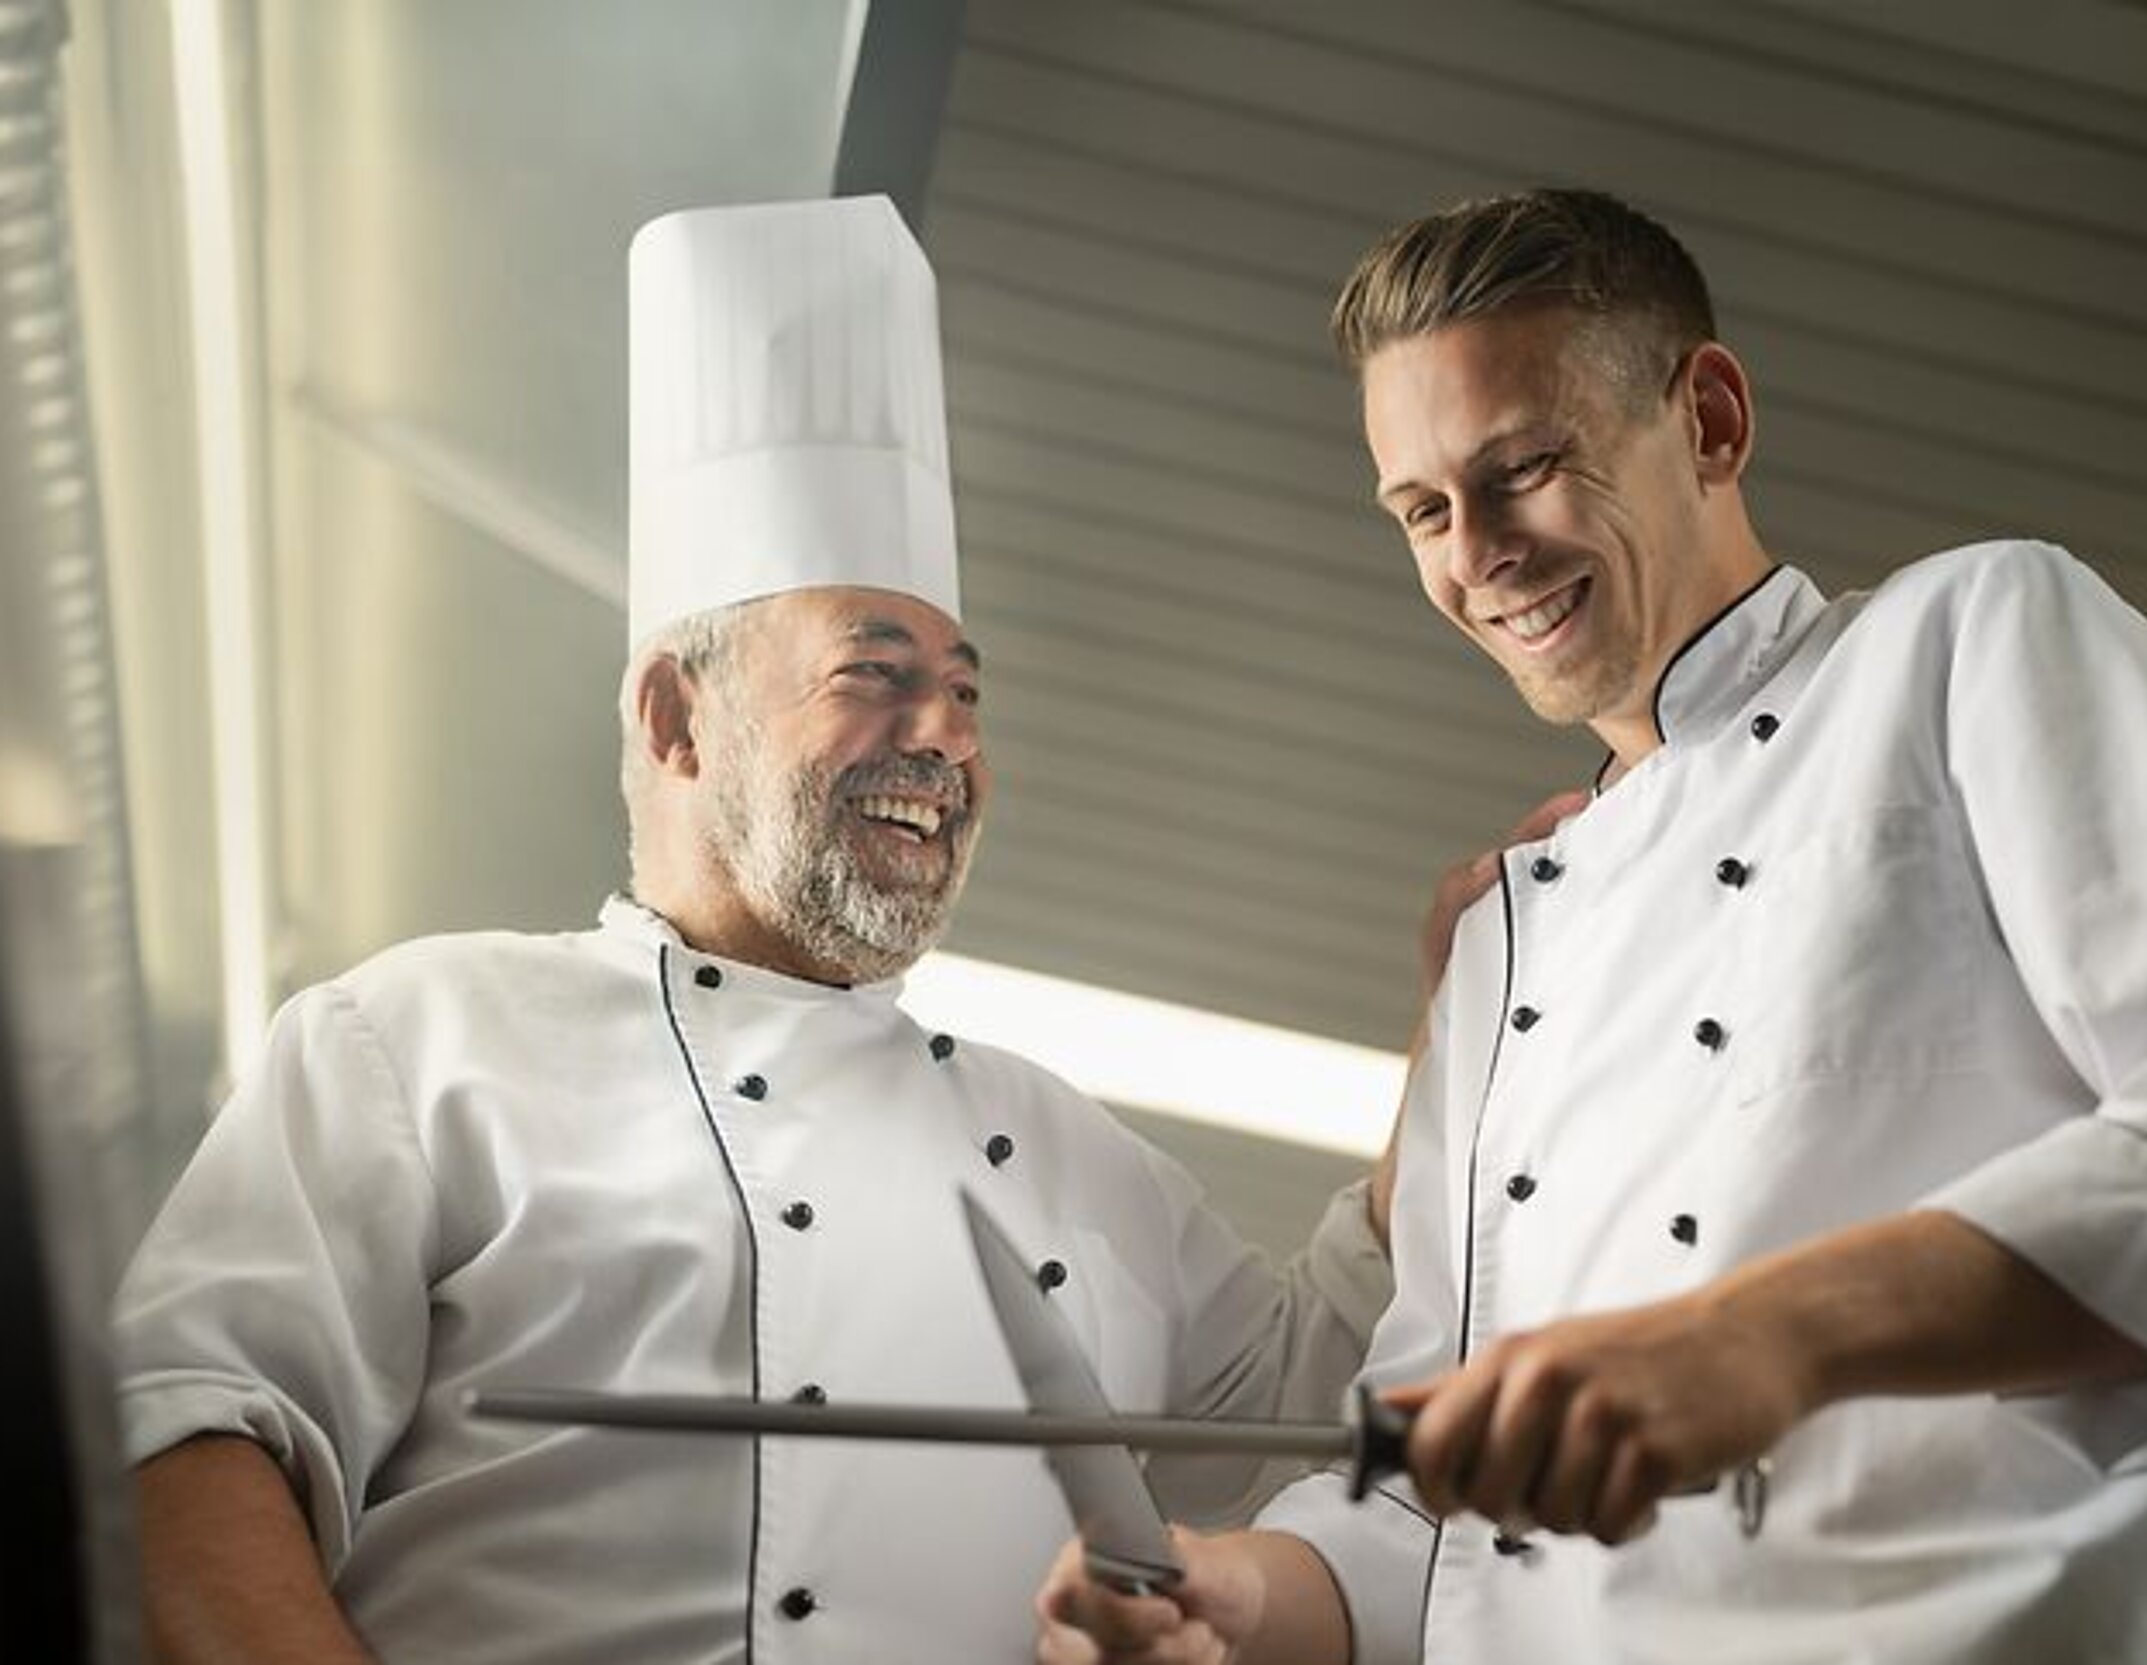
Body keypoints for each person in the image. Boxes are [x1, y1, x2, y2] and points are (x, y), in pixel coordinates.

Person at [1035, 188, 2147, 1665]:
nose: (1478, 554)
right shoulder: (1497, 947)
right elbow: (1440, 1518)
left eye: (1522, 467)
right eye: (1421, 512)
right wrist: (1238, 1597)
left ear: (1711, 421)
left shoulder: (1963, 642)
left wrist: (1759, 1338)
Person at [110, 195, 1394, 1665]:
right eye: (876, 670)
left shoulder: (1083, 1163)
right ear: (675, 717)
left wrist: (1474, 1010)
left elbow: (1336, 1410)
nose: (944, 739)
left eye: (967, 692)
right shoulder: (417, 1041)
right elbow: (175, 1436)